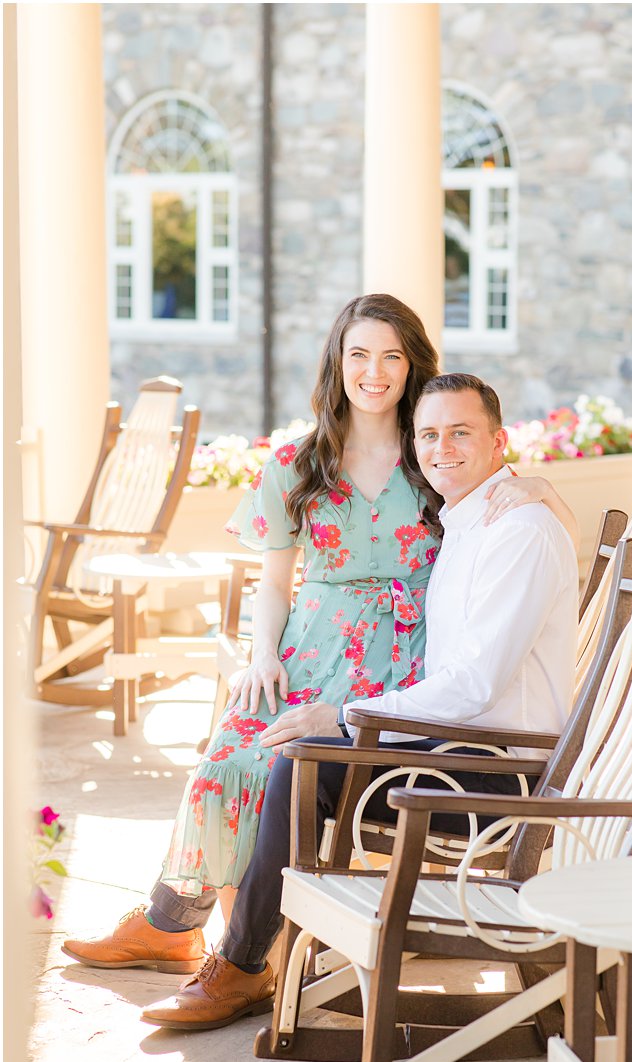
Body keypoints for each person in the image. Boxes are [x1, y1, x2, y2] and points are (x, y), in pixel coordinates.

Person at [63, 297, 576, 975]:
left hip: (402, 663)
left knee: (284, 767)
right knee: (227, 763)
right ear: (337, 363)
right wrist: (262, 656)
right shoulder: (298, 462)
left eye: (392, 354)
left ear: (411, 363)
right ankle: (175, 926)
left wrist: (540, 486)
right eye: (359, 354)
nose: (375, 371)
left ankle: (237, 947)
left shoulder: (433, 455)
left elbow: (515, 517)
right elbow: (273, 584)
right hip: (309, 647)